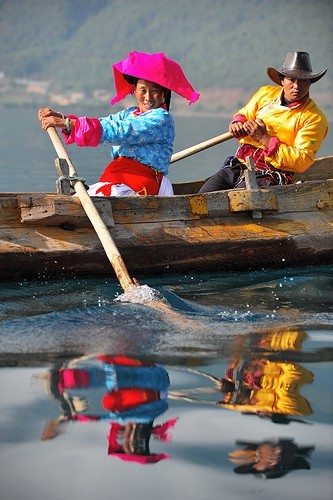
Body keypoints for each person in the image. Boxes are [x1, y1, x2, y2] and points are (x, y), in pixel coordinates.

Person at [38, 51, 200, 197]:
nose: (148, 97)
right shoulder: (128, 114)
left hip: (140, 183)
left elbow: (121, 131)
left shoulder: (161, 118)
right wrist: (64, 120)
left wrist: (68, 123)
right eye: (143, 90)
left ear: (164, 93)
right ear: (134, 91)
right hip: (117, 176)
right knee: (84, 198)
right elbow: (106, 123)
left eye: (155, 90)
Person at [198, 51, 328, 193]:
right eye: (292, 80)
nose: (297, 86)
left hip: (271, 175)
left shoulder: (314, 118)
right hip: (239, 164)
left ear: (310, 83)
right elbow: (244, 113)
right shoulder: (265, 93)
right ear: (282, 80)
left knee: (238, 199)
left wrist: (264, 138)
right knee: (203, 195)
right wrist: (237, 123)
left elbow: (302, 160)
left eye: (303, 81)